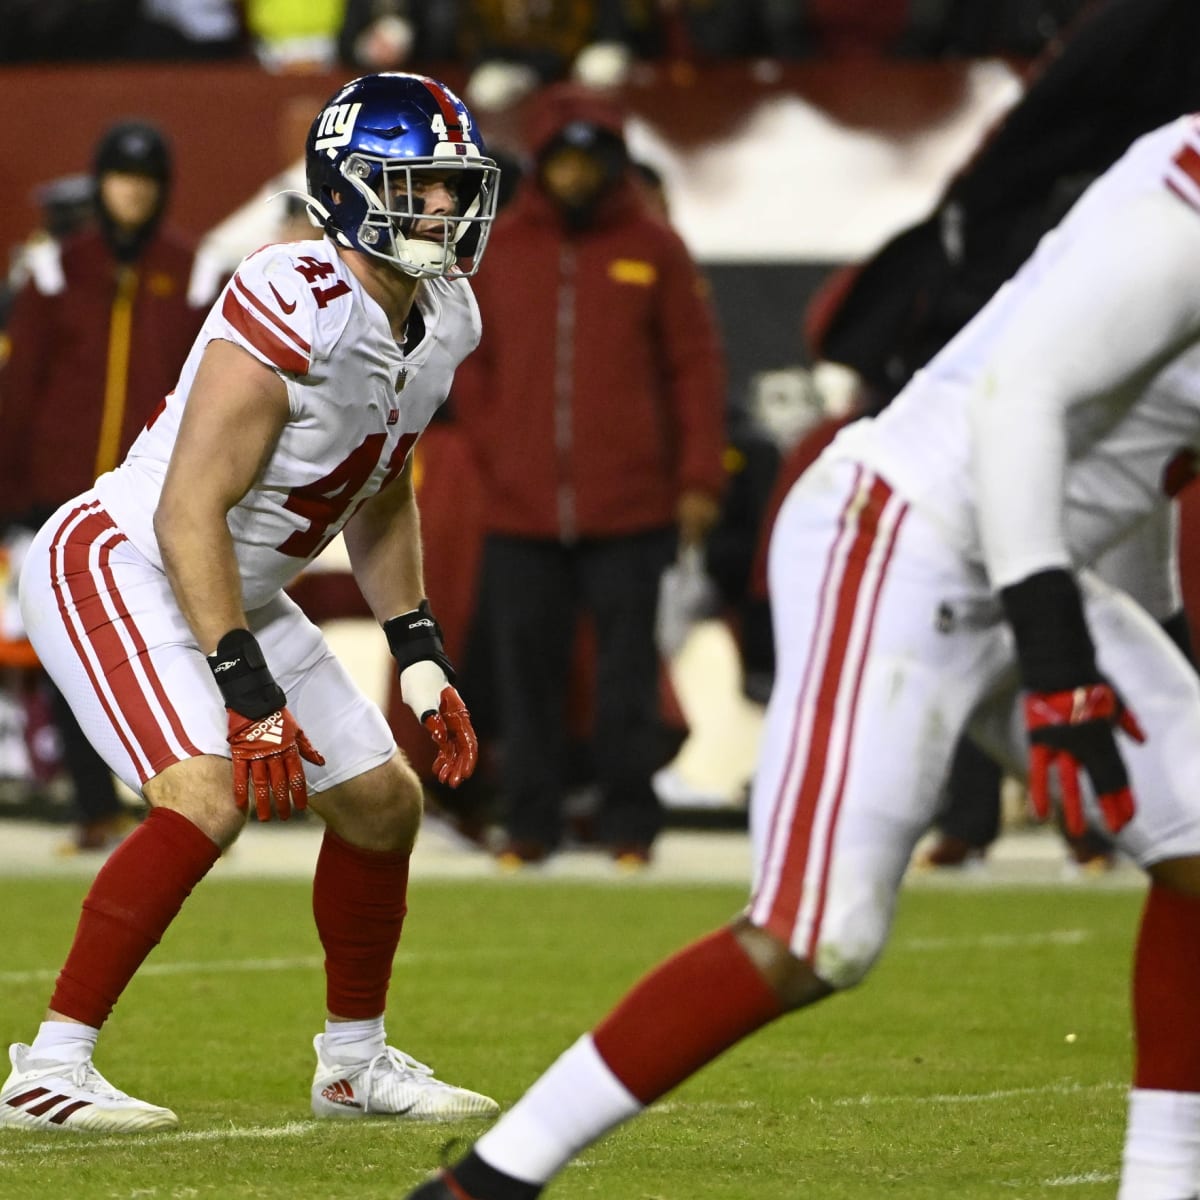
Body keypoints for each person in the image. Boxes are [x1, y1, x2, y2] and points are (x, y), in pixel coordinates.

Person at [404, 112, 1200, 1200]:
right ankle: (483, 1187)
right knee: (815, 938)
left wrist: (1156, 635)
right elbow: (1027, 404)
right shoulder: (1187, 191)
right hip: (909, 531)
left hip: (1033, 559)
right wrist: (1063, 663)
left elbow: (1154, 455)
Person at [0, 71, 504, 1133]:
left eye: (454, 188)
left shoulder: (444, 315)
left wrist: (417, 646)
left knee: (382, 804)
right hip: (125, 560)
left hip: (236, 582)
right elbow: (189, 507)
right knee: (209, 794)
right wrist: (244, 683)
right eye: (420, 188)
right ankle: (51, 1065)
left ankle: (353, 1065)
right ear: (353, 188)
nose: (446, 211)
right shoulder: (296, 296)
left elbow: (382, 483)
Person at [453, 82, 726, 868]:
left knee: (627, 677)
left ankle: (629, 824)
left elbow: (695, 369)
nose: (574, 173)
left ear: (611, 162)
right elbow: (471, 361)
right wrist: (497, 449)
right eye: (562, 158)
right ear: (542, 162)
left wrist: (698, 478)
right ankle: (530, 822)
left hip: (631, 506)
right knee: (525, 676)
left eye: (589, 157)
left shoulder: (655, 249)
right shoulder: (502, 246)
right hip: (520, 508)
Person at [0, 120, 222, 854]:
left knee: (172, 651)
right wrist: (11, 498)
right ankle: (93, 809)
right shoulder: (59, 270)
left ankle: (177, 800)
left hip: (159, 501)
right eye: (121, 179)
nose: (132, 192)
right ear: (100, 185)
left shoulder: (194, 273)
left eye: (145, 181)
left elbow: (209, 392)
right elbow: (18, 390)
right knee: (71, 659)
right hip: (62, 499)